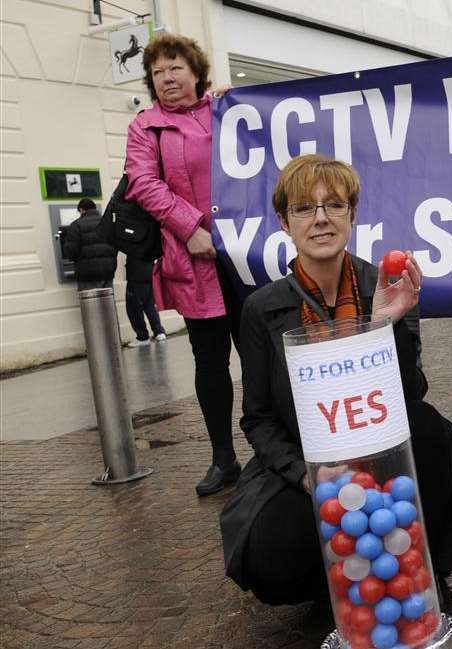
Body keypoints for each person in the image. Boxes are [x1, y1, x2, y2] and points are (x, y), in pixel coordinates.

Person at [219, 154, 452, 608]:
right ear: (283, 222)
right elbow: (259, 421)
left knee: (428, 429)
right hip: (312, 462)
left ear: (352, 213)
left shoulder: (384, 283)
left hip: (385, 450)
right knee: (272, 550)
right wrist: (308, 475)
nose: (321, 219)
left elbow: (410, 393)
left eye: (333, 205)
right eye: (304, 209)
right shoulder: (260, 308)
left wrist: (387, 322)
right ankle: (337, 581)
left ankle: (414, 564)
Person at [125, 33, 242, 494]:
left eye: (175, 68)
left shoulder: (226, 111)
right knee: (209, 361)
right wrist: (190, 227)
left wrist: (242, 103)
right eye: (158, 72)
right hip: (193, 260)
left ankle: (273, 450)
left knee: (258, 358)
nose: (167, 78)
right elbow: (143, 183)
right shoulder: (144, 127)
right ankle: (223, 457)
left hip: (242, 254)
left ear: (196, 72)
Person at [62, 198, 117, 291]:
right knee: (107, 303)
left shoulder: (76, 225)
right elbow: (116, 246)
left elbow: (70, 252)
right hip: (107, 271)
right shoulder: (107, 222)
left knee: (91, 303)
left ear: (81, 209)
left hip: (87, 274)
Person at [123, 255, 166, 347]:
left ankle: (142, 337)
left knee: (133, 308)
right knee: (149, 305)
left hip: (136, 275)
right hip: (149, 273)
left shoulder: (132, 240)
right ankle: (159, 332)